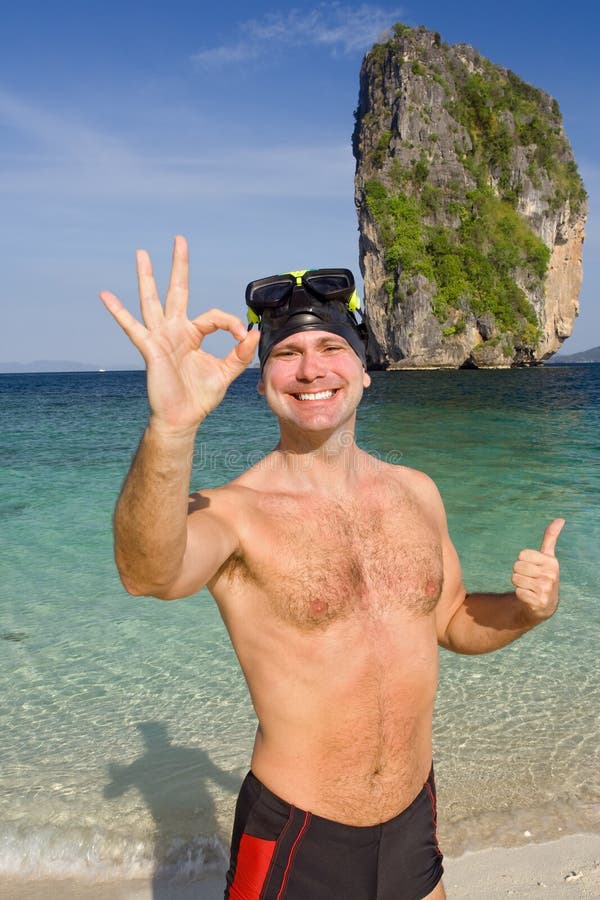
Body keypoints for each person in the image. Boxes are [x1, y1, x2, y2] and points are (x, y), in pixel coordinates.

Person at [100, 236, 564, 900]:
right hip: (297, 837)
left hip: (413, 818)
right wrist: (171, 429)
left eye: (330, 348)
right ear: (262, 383)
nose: (311, 370)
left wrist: (526, 611)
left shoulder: (418, 493)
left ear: (365, 369)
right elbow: (146, 571)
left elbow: (456, 622)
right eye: (286, 354)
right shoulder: (237, 514)